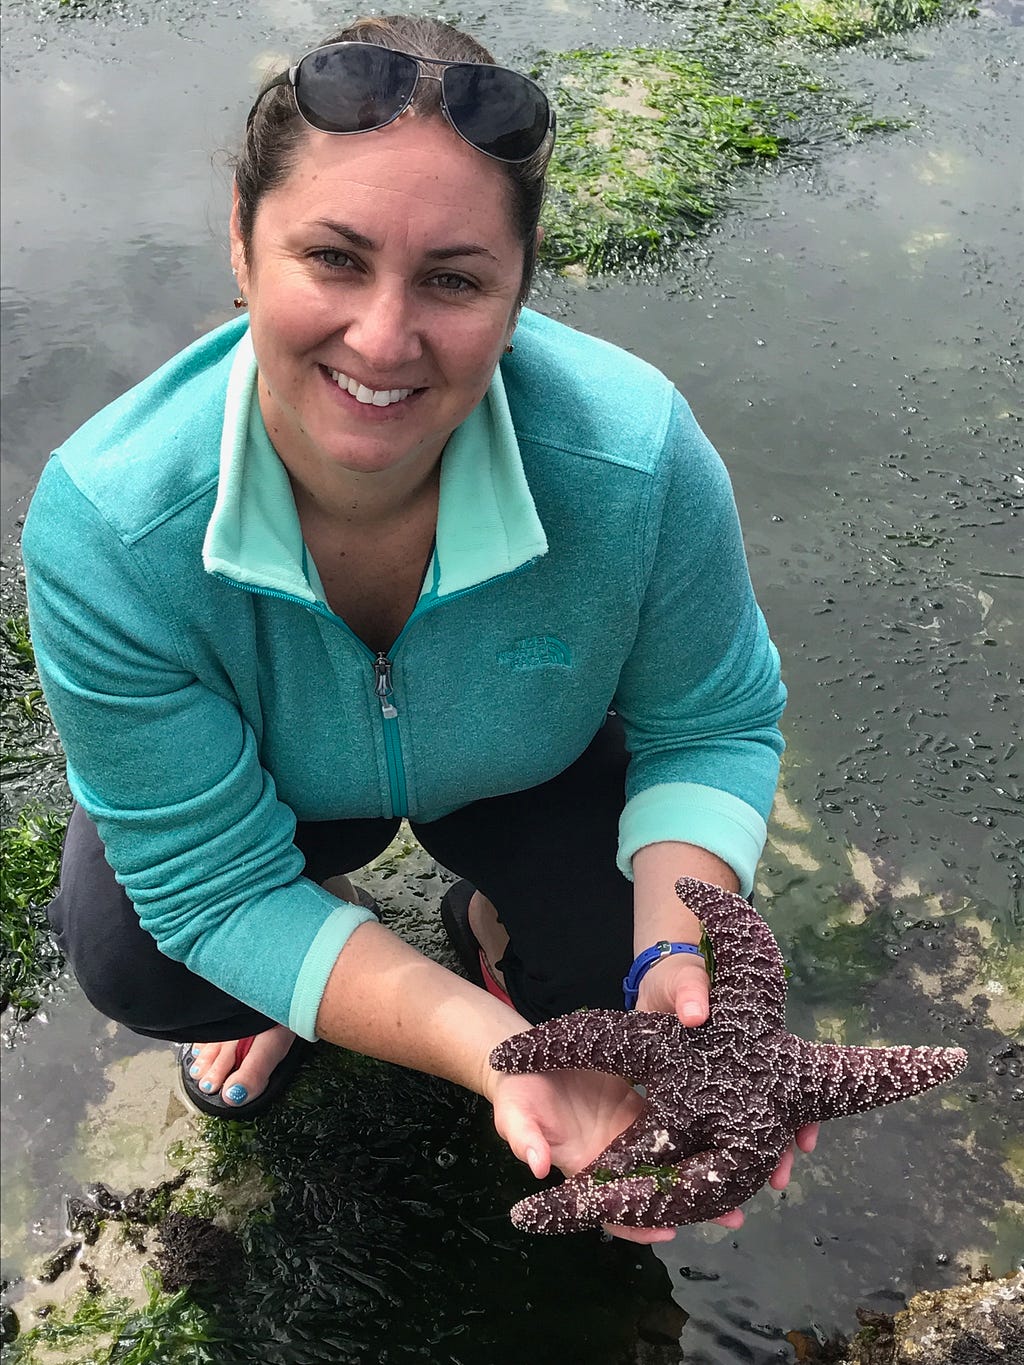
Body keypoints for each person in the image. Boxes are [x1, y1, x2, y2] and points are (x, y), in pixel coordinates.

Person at [22, 14, 816, 1245]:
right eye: (332, 258)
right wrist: (510, 1056)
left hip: (531, 766)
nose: (384, 340)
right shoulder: (109, 524)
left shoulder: (633, 459)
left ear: (517, 290)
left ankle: (481, 925)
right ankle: (318, 940)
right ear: (240, 243)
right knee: (140, 952)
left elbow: (709, 722)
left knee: (647, 969)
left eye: (452, 278)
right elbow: (205, 884)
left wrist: (677, 966)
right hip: (284, 798)